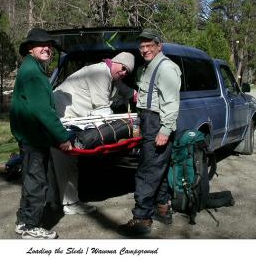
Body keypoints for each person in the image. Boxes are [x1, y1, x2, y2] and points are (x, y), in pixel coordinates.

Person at [51, 52, 136, 215]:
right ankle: (70, 203)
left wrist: (134, 95)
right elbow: (103, 110)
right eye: (123, 68)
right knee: (67, 160)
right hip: (63, 117)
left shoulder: (109, 73)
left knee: (55, 161)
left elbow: (122, 88)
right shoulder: (100, 74)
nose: (124, 72)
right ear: (115, 62)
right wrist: (121, 128)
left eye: (127, 72)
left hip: (65, 116)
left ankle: (53, 200)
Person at [10, 27, 72, 239]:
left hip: (29, 137)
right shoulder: (34, 74)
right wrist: (63, 137)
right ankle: (30, 226)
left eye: (49, 45)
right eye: (41, 44)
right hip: (34, 138)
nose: (47, 48)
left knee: (30, 180)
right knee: (37, 182)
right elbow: (43, 111)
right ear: (29, 49)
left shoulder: (31, 68)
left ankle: (23, 221)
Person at [118, 29, 181, 236]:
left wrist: (164, 130)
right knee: (158, 170)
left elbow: (171, 103)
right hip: (149, 122)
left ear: (159, 46)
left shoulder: (166, 68)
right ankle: (163, 209)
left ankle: (142, 219)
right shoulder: (148, 68)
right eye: (142, 47)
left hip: (158, 124)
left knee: (146, 172)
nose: (144, 50)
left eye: (149, 46)